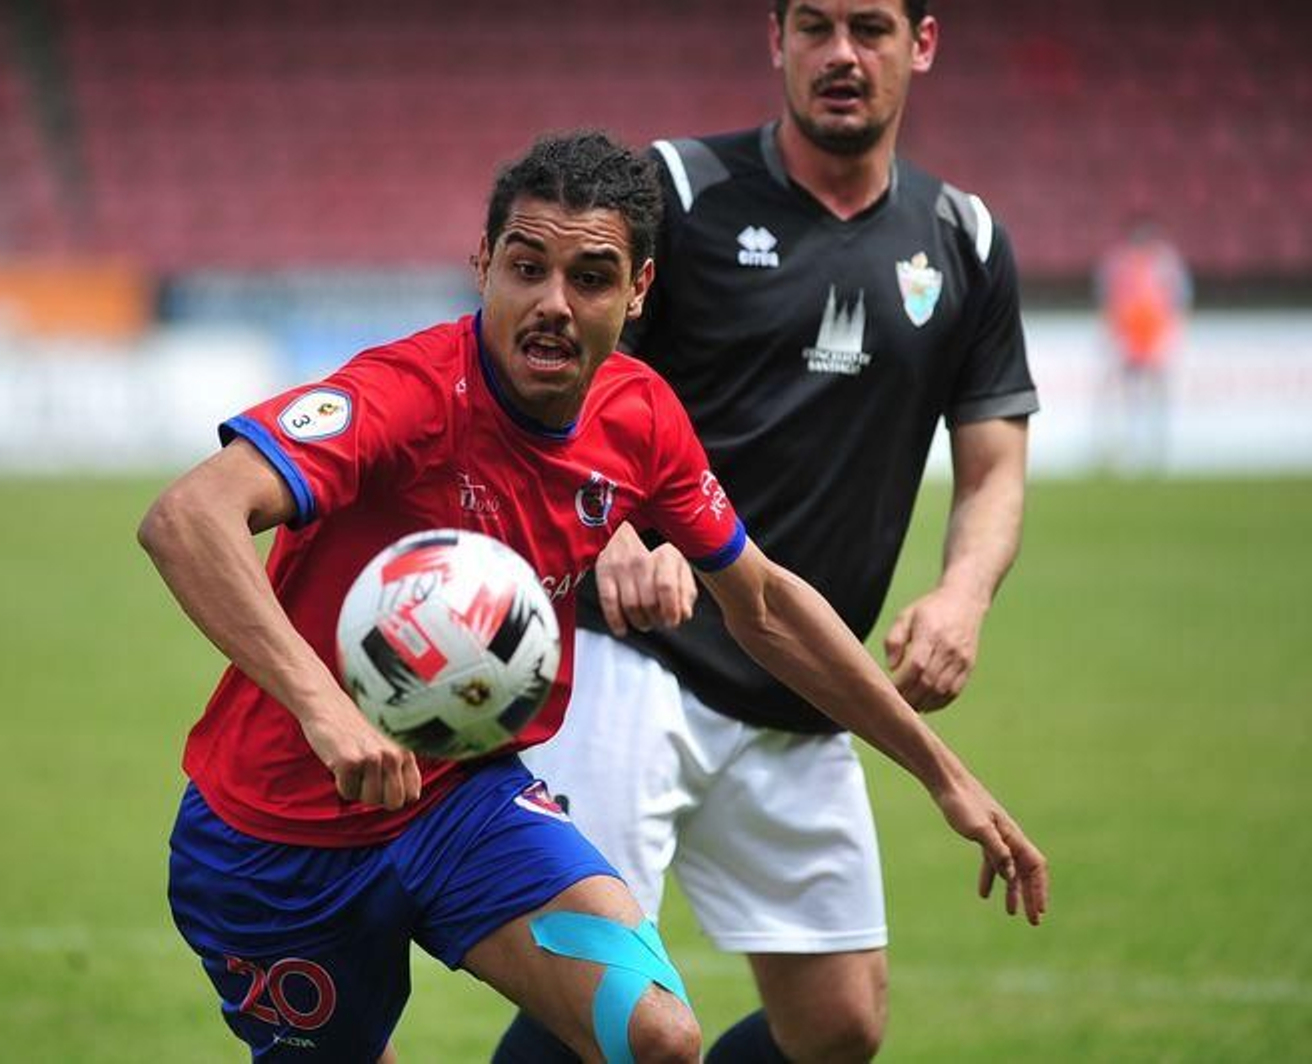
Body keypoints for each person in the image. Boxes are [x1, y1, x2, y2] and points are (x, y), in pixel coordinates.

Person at [140, 131, 1045, 1064]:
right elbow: (188, 518)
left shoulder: (639, 414)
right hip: (272, 839)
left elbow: (763, 606)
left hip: (463, 803)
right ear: (483, 264)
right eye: (527, 268)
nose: (553, 305)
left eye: (592, 277)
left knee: (657, 1039)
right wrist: (328, 712)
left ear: (640, 291)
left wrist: (944, 774)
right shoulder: (403, 396)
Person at [505, 4, 1041, 1062]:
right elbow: (553, 379)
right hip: (633, 664)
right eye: (816, 27)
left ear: (920, 43)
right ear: (776, 39)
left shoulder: (964, 241)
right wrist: (603, 526)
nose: (842, 55)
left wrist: (961, 593)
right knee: (599, 1014)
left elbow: (992, 466)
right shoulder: (677, 194)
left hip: (802, 678)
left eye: (870, 28)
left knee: (839, 1027)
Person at [1095, 215, 1191, 475]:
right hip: (1130, 340)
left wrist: (1171, 336)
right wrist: (1114, 337)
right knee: (1133, 398)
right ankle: (1134, 450)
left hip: (1155, 338)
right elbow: (1110, 301)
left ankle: (1159, 449)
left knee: (1157, 396)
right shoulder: (1119, 263)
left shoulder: (1166, 263)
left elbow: (1178, 302)